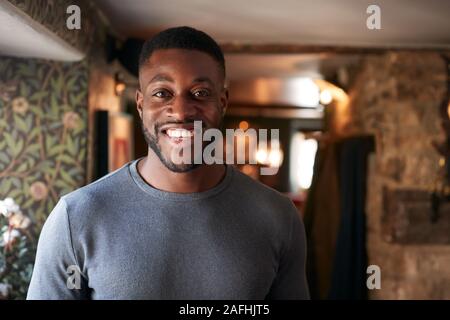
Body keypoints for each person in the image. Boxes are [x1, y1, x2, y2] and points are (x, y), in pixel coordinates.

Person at [26, 26, 309, 300]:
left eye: (200, 93)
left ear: (222, 101)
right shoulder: (76, 217)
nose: (182, 110)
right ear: (140, 104)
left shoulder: (278, 216)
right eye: (162, 93)